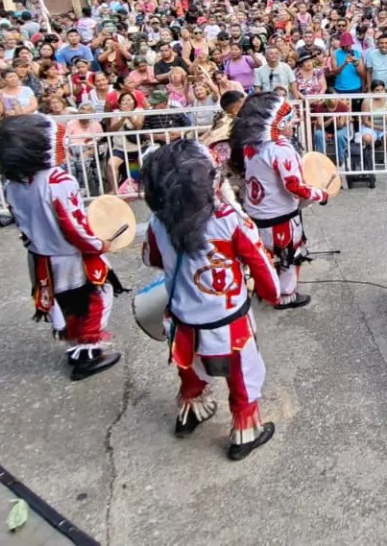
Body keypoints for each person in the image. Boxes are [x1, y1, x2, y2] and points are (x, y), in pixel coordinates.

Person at [140, 140, 281, 460]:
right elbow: (261, 266)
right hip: (228, 320)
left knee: (189, 370)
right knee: (243, 374)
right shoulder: (229, 219)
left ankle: (190, 414)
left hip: (182, 319)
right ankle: (245, 433)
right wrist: (272, 294)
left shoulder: (158, 221)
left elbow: (151, 258)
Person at [0, 114, 124, 381]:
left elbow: (21, 223)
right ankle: (88, 354)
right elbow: (73, 226)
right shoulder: (57, 181)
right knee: (96, 297)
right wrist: (100, 244)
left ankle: (76, 347)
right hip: (70, 256)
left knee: (67, 303)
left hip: (40, 256)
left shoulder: (12, 183)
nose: (63, 142)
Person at [229, 93, 327, 309]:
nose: (295, 123)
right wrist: (321, 194)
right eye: (290, 119)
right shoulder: (280, 149)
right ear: (279, 123)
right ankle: (286, 295)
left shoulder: (250, 145)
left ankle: (266, 289)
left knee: (266, 255)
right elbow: (294, 185)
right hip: (280, 215)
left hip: (257, 213)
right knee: (288, 256)